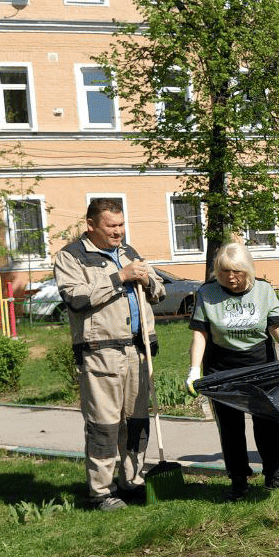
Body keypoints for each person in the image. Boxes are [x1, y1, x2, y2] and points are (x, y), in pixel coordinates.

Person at [55, 198, 166, 511]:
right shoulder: (71, 256)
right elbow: (76, 298)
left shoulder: (128, 252)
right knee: (104, 425)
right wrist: (120, 277)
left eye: (121, 225)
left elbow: (159, 291)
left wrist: (147, 279)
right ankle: (101, 492)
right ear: (91, 225)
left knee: (137, 423)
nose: (119, 232)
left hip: (137, 350)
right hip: (100, 352)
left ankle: (132, 482)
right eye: (111, 226)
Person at [186, 242, 279, 499]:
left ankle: (274, 475)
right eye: (224, 272)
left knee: (267, 422)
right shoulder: (207, 292)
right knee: (230, 427)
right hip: (222, 368)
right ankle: (238, 479)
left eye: (237, 272)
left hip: (260, 365)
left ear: (248, 270)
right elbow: (200, 334)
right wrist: (194, 369)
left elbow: (276, 326)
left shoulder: (263, 290)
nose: (231, 278)